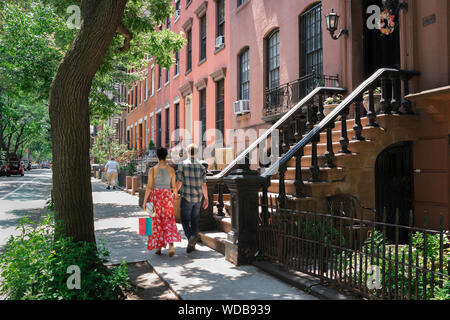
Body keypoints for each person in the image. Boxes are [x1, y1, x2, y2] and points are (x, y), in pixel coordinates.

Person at [143, 147, 181, 257]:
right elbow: (174, 187)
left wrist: (145, 201)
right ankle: (171, 245)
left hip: (154, 197)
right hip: (167, 196)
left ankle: (158, 247)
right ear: (166, 156)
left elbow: (149, 187)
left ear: (157, 156)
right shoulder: (171, 170)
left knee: (154, 222)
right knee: (169, 220)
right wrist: (176, 196)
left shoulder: (152, 170)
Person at [176, 144, 209, 253]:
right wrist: (206, 199)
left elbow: (180, 182)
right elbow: (204, 185)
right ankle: (192, 242)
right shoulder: (201, 167)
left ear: (188, 152)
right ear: (197, 152)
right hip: (198, 198)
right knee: (195, 220)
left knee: (185, 220)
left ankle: (191, 237)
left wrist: (174, 192)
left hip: (186, 198)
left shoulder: (182, 165)